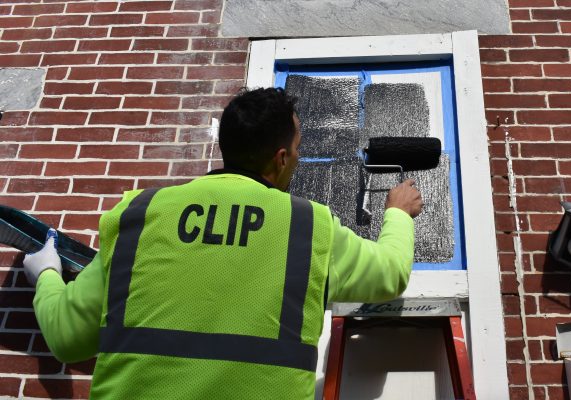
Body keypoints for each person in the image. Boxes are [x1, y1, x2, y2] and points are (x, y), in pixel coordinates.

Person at [24, 87, 423, 399]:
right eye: (298, 151)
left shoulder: (141, 213)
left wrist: (46, 273)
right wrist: (398, 214)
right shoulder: (307, 225)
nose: (299, 160)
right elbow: (389, 274)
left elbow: (66, 336)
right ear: (281, 158)